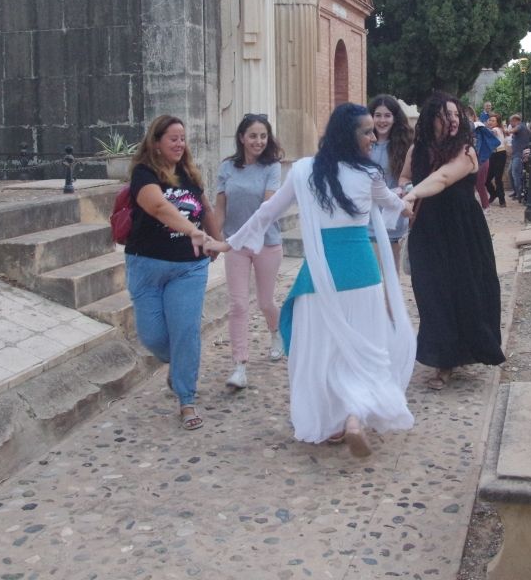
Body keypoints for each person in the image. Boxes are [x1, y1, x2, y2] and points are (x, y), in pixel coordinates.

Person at [208, 104, 416, 457]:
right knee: (365, 350)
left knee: (323, 352)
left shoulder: (304, 171)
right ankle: (354, 417)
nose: (372, 137)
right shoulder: (369, 174)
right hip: (363, 275)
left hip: (320, 278)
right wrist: (409, 201)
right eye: (366, 132)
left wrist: (230, 242)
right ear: (348, 136)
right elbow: (394, 205)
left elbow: (267, 214)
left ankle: (334, 421)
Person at [124, 115, 223, 431]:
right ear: (156, 142)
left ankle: (186, 399)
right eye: (173, 138)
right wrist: (191, 231)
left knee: (185, 331)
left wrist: (215, 239)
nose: (180, 144)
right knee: (152, 336)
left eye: (183, 138)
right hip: (146, 266)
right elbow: (157, 207)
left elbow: (205, 209)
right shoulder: (144, 174)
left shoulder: (190, 174)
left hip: (188, 267)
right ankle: (179, 365)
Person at [401, 93, 505, 390]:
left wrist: (411, 193)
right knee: (432, 293)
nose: (454, 119)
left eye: (457, 114)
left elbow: (444, 178)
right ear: (432, 118)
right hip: (428, 230)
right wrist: (402, 190)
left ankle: (459, 354)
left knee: (464, 291)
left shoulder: (467, 151)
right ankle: (442, 358)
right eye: (446, 114)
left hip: (462, 231)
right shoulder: (416, 150)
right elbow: (404, 177)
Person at [214, 113, 286, 390]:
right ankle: (239, 365)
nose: (258, 141)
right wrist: (215, 237)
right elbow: (220, 207)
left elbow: (266, 211)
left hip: (267, 242)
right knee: (238, 305)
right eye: (253, 135)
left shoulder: (272, 168)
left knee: (265, 302)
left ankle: (276, 331)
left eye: (263, 136)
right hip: (235, 244)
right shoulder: (227, 168)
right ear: (242, 138)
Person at [367, 95, 413, 275]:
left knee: (390, 278)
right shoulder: (361, 144)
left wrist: (405, 191)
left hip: (391, 219)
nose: (382, 120)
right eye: (377, 115)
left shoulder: (405, 146)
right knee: (370, 278)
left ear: (395, 118)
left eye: (387, 115)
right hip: (366, 219)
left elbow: (410, 179)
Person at [484, 113, 508, 207]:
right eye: (490, 120)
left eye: (493, 120)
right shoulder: (500, 129)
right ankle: (494, 194)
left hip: (500, 154)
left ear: (497, 122)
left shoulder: (495, 129)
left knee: (498, 178)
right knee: (487, 179)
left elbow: (493, 133)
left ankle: (502, 200)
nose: (490, 122)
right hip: (494, 154)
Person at [507, 113, 530, 201]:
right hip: (515, 154)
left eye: (511, 122)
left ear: (515, 121)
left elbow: (513, 130)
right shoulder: (522, 127)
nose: (510, 124)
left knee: (515, 173)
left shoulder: (520, 126)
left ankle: (519, 193)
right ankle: (516, 191)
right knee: (510, 172)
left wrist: (507, 131)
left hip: (519, 154)